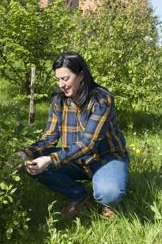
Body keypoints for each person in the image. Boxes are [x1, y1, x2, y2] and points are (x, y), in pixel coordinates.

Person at [17, 51, 129, 219]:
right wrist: (24, 153)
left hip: (105, 158)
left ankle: (109, 202)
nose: (61, 84)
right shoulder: (59, 101)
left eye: (65, 79)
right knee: (31, 164)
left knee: (109, 192)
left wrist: (50, 159)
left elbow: (87, 144)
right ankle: (77, 195)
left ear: (81, 75)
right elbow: (49, 138)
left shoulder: (100, 99)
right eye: (58, 79)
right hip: (75, 159)